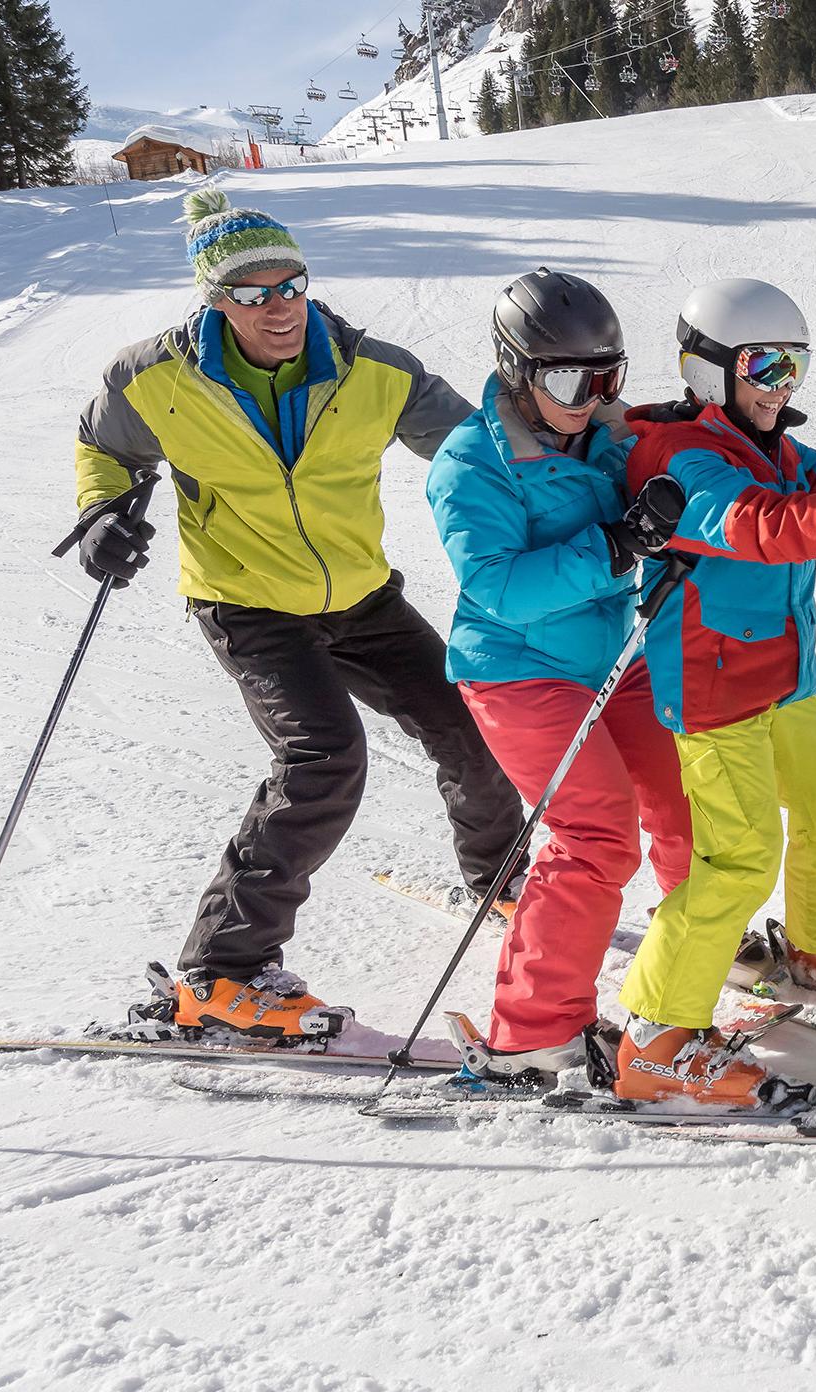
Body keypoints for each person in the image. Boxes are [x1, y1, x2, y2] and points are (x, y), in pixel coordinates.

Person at [73, 188, 526, 1041]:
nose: (278, 306)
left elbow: (480, 449)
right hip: (246, 601)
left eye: (291, 284)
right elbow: (103, 444)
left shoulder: (372, 370)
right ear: (214, 300)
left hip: (361, 593)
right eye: (251, 293)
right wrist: (104, 511)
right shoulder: (156, 377)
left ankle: (505, 880)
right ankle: (222, 970)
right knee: (324, 756)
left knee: (472, 725)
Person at [611, 277, 816, 1109]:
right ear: (707, 369)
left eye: (794, 366)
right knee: (739, 855)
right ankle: (656, 1034)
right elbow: (758, 525)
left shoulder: (777, 446)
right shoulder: (680, 458)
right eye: (763, 366)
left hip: (781, 682)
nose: (781, 387)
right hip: (712, 691)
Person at [426, 268, 695, 1086]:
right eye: (573, 379)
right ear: (516, 369)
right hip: (518, 667)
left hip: (614, 658)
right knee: (595, 834)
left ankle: (686, 977)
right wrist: (619, 545)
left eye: (608, 377)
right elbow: (500, 586)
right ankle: (533, 1030)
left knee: (700, 805)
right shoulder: (473, 462)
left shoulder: (610, 434)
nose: (593, 396)